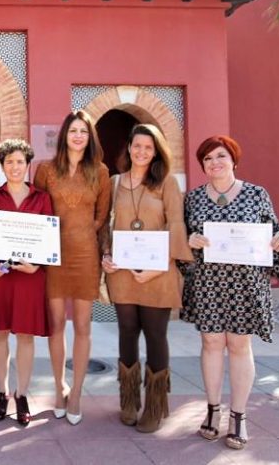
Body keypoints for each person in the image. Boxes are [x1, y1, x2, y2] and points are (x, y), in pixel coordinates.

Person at [181, 135, 279, 450]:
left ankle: (239, 416)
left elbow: (276, 231)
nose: (214, 162)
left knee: (239, 345)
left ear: (233, 159)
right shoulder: (193, 198)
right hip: (208, 283)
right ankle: (213, 409)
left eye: (220, 156)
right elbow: (182, 238)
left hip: (245, 283)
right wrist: (190, 241)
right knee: (210, 343)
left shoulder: (257, 194)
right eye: (207, 158)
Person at [100, 124, 193, 433]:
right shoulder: (115, 182)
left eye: (148, 147)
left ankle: (154, 407)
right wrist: (106, 254)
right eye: (137, 145)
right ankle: (128, 400)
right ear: (129, 147)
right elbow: (107, 226)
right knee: (127, 332)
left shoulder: (167, 183)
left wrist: (161, 265)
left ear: (156, 152)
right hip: (123, 273)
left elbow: (176, 225)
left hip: (158, 272)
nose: (141, 152)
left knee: (155, 335)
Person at [33, 110, 111, 425]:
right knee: (55, 325)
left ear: (90, 137)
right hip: (53, 257)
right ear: (64, 135)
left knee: (82, 326)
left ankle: (76, 392)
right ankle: (59, 387)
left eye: (83, 131)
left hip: (85, 257)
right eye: (73, 130)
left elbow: (102, 217)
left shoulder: (101, 172)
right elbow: (36, 212)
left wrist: (100, 248)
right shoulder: (46, 170)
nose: (78, 136)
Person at [0, 139, 53, 427]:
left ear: (28, 164)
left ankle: (21, 394)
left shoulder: (41, 198)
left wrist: (38, 264)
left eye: (20, 161)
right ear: (2, 165)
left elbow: (49, 237)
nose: (15, 166)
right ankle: (2, 392)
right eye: (9, 161)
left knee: (25, 336)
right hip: (0, 276)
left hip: (30, 277)